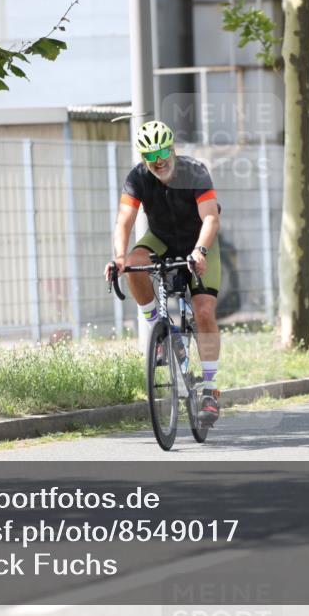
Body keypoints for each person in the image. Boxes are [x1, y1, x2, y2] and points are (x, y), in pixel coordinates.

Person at [103, 120, 223, 427]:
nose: (158, 162)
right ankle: (158, 331)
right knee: (133, 263)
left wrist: (200, 251)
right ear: (143, 158)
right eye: (150, 156)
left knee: (204, 310)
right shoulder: (137, 178)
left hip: (199, 240)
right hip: (161, 239)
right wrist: (118, 258)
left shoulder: (194, 171)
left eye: (163, 154)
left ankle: (210, 388)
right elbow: (124, 221)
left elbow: (210, 218)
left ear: (172, 149)